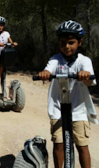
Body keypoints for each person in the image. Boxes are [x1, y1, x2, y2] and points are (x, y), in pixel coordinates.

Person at [38, 20, 98, 168]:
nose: (66, 47)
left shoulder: (84, 60)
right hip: (58, 109)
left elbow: (90, 81)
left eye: (71, 42)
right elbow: (49, 69)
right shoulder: (56, 59)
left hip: (79, 110)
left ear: (79, 42)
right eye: (62, 43)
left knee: (82, 146)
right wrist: (45, 73)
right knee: (58, 144)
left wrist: (85, 75)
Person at [0, 16, 18, 100]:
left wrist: (14, 44)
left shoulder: (6, 34)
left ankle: (4, 93)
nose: (0, 26)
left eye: (1, 25)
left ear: (3, 25)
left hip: (4, 56)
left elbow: (11, 42)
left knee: (3, 75)